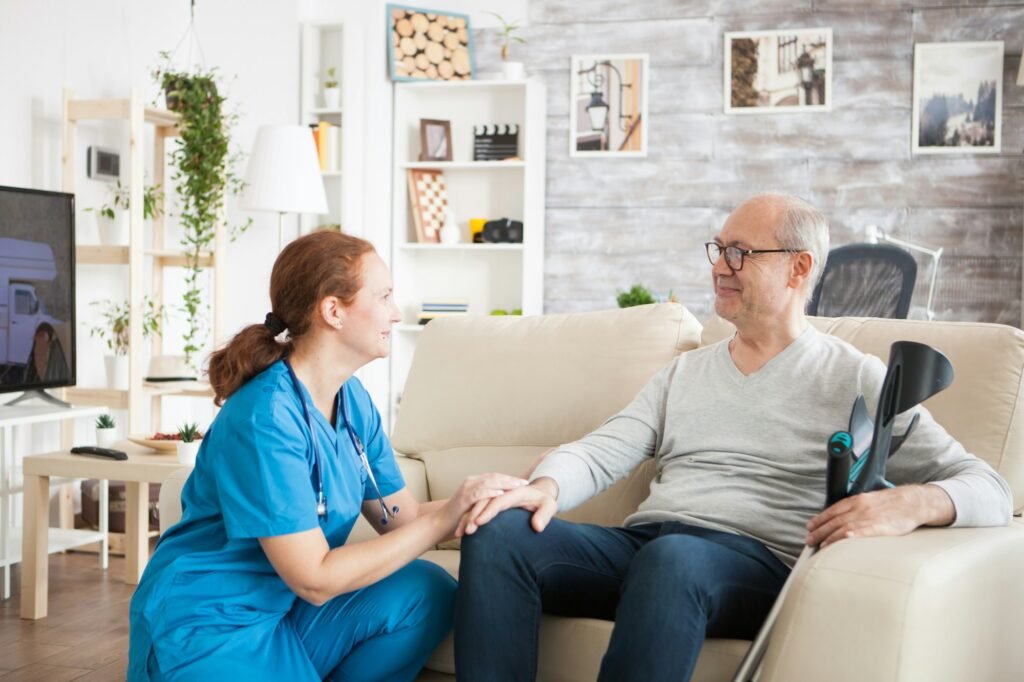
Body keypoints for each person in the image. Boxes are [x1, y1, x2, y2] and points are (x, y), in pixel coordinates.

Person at [452, 193, 1013, 682]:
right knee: (498, 529)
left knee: (674, 560)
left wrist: (911, 502)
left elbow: (991, 489)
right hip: (651, 549)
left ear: (798, 269)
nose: (720, 266)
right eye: (718, 249)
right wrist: (546, 486)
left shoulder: (858, 379)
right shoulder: (686, 372)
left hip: (753, 562)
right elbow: (605, 447)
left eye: (740, 252)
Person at [128, 231, 526, 681]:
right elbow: (313, 577)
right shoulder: (266, 418)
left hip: (284, 615)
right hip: (208, 625)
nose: (396, 314)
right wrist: (442, 520)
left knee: (426, 590)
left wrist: (490, 498)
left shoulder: (351, 400)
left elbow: (401, 517)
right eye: (384, 296)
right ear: (333, 310)